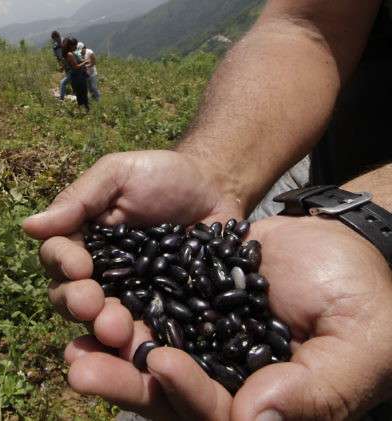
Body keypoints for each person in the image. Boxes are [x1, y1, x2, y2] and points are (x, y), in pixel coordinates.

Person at [23, 0, 392, 419]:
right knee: (161, 381)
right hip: (324, 190)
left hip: (355, 222)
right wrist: (215, 171)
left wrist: (374, 225)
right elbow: (307, 28)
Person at [62, 37, 90, 111]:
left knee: (82, 94)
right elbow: (76, 66)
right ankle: (85, 111)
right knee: (82, 94)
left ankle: (84, 110)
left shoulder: (71, 53)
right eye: (75, 45)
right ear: (71, 45)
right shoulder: (70, 54)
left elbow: (77, 62)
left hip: (78, 76)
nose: (76, 47)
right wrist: (85, 62)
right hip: (77, 77)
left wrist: (83, 61)